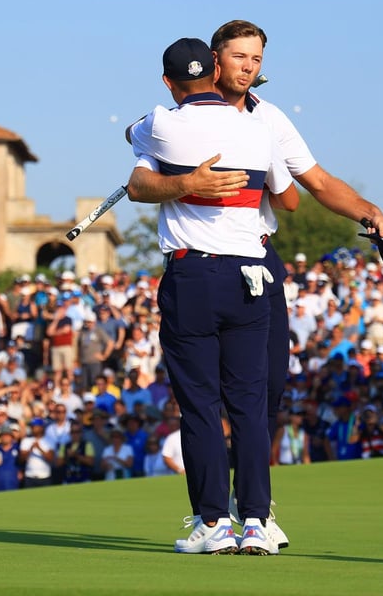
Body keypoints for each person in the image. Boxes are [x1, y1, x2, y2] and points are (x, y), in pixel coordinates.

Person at [126, 36, 298, 555]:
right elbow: (287, 197)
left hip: (194, 276)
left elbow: (136, 180)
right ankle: (256, 523)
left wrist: (183, 182)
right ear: (218, 70)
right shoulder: (259, 126)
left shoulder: (158, 123)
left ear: (167, 82)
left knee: (200, 405)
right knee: (248, 406)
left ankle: (213, 523)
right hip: (252, 276)